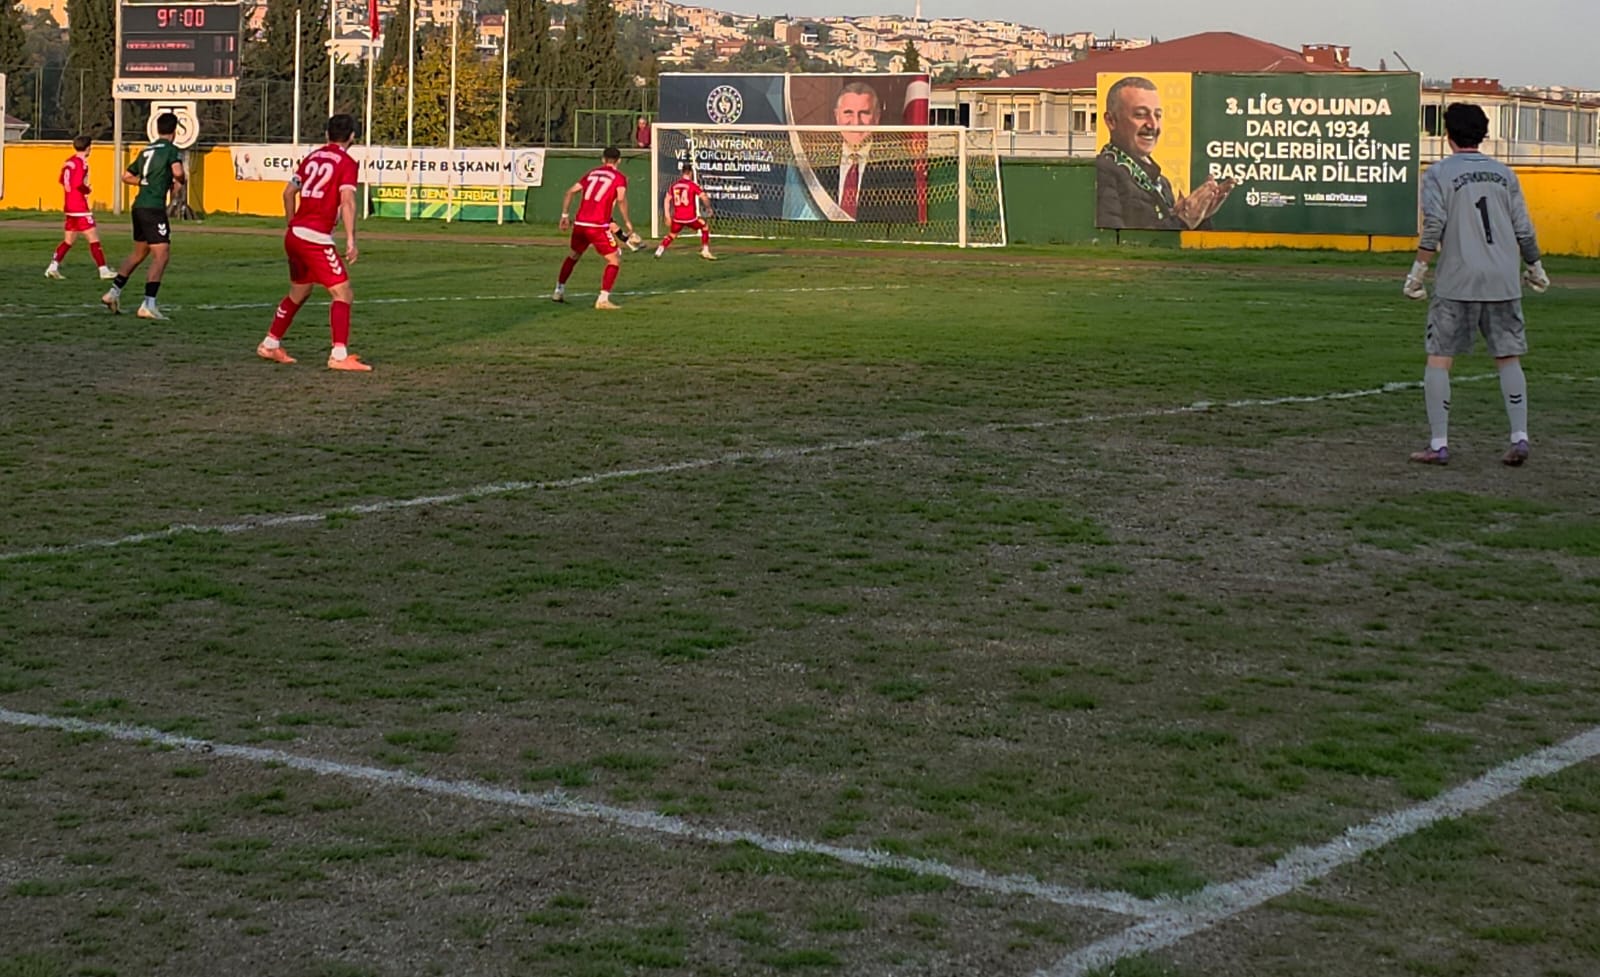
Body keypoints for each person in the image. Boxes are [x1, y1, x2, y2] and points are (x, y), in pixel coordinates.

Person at [1403, 102, 1548, 467]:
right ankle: (1519, 436)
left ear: (1447, 134)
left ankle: (1439, 443)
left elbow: (1434, 224)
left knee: (1439, 358)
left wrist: (1418, 271)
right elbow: (1523, 228)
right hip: (1503, 279)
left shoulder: (1437, 174)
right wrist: (1535, 265)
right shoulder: (1505, 174)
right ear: (1483, 134)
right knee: (1508, 357)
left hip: (1458, 280)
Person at [255, 114, 370, 372]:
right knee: (343, 293)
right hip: (315, 238)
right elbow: (347, 201)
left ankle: (270, 344)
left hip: (295, 235)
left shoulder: (312, 158)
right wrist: (351, 239)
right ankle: (339, 355)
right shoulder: (347, 163)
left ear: (327, 134)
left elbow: (288, 193)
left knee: (300, 291)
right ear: (352, 136)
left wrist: (292, 224)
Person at [1094, 76, 1230, 231]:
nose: (1153, 125)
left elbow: (1174, 242)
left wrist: (1200, 217)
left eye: (1157, 115)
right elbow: (1111, 239)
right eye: (1140, 114)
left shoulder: (1162, 182)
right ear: (1111, 121)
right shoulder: (1101, 172)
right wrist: (1184, 220)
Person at [102, 112, 185, 319]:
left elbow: (126, 176)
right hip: (153, 208)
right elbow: (177, 172)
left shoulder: (147, 149)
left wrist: (144, 182)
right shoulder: (171, 150)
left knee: (139, 253)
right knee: (162, 254)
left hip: (139, 206)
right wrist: (180, 181)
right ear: (174, 131)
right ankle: (149, 303)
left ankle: (113, 293)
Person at [807, 81, 918, 223]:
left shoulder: (897, 167)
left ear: (876, 118)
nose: (856, 122)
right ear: (837, 116)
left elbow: (902, 224)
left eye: (864, 113)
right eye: (848, 113)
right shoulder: (818, 164)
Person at [554, 146, 637, 311]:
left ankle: (558, 290)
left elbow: (570, 192)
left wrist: (564, 215)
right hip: (597, 225)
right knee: (614, 259)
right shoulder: (619, 177)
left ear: (603, 159)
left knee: (574, 255)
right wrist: (627, 222)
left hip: (580, 224)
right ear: (619, 161)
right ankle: (603, 299)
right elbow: (621, 199)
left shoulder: (591, 173)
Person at [45, 135, 116, 282]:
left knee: (68, 240)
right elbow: (78, 183)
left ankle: (52, 267)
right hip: (79, 206)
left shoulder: (68, 161)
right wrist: (86, 189)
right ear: (88, 148)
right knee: (94, 239)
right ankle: (103, 270)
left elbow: (61, 180)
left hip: (69, 206)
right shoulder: (81, 163)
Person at [655, 162, 716, 260]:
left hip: (678, 218)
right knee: (704, 226)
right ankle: (705, 250)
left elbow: (666, 200)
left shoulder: (674, 185)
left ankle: (659, 250)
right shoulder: (692, 185)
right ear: (691, 173)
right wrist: (708, 208)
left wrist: (667, 216)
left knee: (672, 234)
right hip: (690, 218)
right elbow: (704, 197)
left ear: (682, 173)